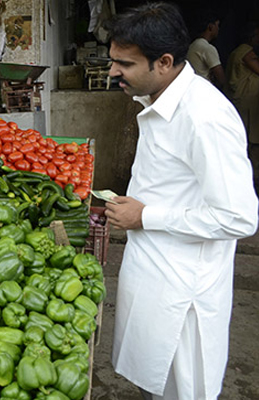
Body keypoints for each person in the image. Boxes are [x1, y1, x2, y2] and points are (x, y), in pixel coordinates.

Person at [104, 3, 258, 400]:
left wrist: (146, 215)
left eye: (124, 63)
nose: (112, 72)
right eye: (112, 60)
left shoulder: (205, 116)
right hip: (156, 275)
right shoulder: (158, 99)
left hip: (184, 293)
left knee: (183, 389)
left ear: (165, 62)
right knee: (157, 385)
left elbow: (239, 218)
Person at [226, 22, 259, 192]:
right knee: (251, 139)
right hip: (246, 102)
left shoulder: (237, 51)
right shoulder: (245, 51)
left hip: (242, 100)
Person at [186, 10, 226, 88]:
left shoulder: (193, 45)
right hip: (204, 89)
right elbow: (221, 78)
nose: (218, 29)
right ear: (210, 27)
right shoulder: (207, 48)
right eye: (217, 25)